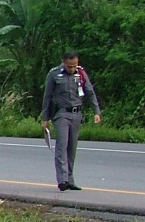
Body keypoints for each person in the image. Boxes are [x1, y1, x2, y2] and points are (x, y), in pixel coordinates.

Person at [40, 50, 102, 191]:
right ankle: (62, 180)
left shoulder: (80, 73)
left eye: (74, 66)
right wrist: (45, 118)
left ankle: (70, 179)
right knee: (62, 145)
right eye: (69, 66)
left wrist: (96, 111)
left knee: (72, 148)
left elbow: (90, 92)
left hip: (76, 114)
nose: (72, 69)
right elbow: (47, 97)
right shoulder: (54, 74)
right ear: (63, 62)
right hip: (61, 113)